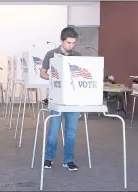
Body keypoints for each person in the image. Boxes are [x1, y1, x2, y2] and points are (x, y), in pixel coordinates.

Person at [40, 27, 81, 171]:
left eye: (73, 43)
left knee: (71, 132)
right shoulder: (51, 54)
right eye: (69, 43)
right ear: (62, 41)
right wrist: (55, 76)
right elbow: (42, 73)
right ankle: (48, 158)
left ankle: (68, 160)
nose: (71, 46)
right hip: (56, 98)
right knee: (53, 132)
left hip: (72, 100)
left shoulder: (77, 55)